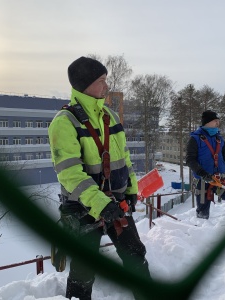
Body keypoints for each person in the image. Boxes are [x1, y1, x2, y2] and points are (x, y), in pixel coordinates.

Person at [48, 56, 151, 300]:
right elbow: (69, 173)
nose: (106, 86)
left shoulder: (110, 117)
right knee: (84, 268)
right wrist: (100, 204)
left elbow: (124, 159)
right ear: (85, 85)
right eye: (101, 81)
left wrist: (131, 189)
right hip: (83, 207)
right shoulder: (64, 123)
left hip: (116, 203)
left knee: (135, 254)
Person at [186, 110, 225, 230]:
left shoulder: (219, 139)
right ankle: (200, 236)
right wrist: (203, 174)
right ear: (208, 122)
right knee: (202, 214)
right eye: (215, 121)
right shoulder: (195, 139)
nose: (217, 123)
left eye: (218, 121)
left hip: (221, 179)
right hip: (204, 181)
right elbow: (190, 160)